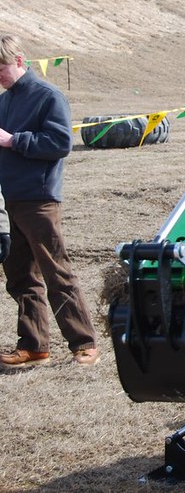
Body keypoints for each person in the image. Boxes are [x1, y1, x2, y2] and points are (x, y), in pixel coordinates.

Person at [0, 32, 99, 368]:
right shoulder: (4, 101)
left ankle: (84, 342)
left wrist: (14, 140)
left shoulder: (48, 96)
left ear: (18, 60)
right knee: (19, 276)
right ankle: (34, 346)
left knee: (56, 272)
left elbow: (60, 143)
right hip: (9, 199)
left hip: (39, 199)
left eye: (1, 69)